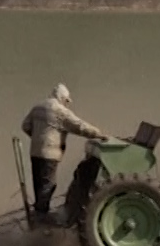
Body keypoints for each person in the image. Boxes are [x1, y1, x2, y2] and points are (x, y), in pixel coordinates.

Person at [20, 83, 111, 223]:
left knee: (39, 183)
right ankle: (41, 219)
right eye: (67, 101)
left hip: (35, 152)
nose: (67, 104)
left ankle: (39, 211)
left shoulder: (38, 107)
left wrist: (38, 137)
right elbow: (79, 126)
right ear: (62, 97)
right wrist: (99, 135)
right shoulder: (59, 111)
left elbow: (25, 126)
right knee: (49, 185)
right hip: (49, 155)